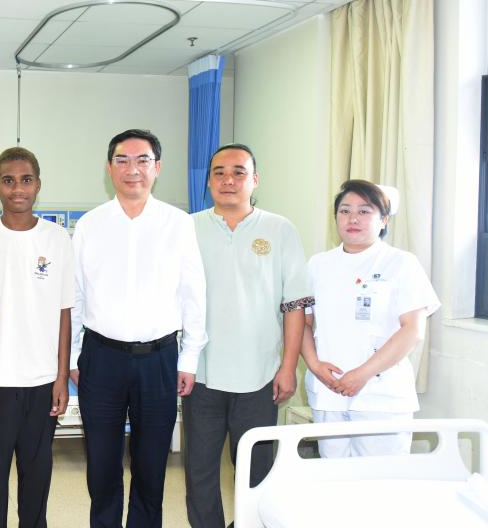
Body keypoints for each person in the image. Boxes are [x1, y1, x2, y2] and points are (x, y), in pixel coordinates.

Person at [70, 129, 207, 528]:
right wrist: (77, 354)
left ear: (157, 167)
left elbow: (193, 294)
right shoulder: (90, 225)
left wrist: (191, 357)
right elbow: (76, 294)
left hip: (159, 360)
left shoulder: (178, 224)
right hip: (101, 358)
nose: (133, 169)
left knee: (151, 467)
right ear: (110, 168)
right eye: (123, 160)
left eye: (142, 160)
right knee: (102, 464)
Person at [185, 144, 312, 527]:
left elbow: (294, 306)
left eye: (239, 172)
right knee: (200, 472)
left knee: (256, 472)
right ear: (207, 181)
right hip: (202, 376)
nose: (228, 180)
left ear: (254, 180)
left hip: (260, 376)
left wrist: (289, 367)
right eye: (219, 172)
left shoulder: (280, 229)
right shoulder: (188, 227)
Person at [0, 147, 74, 528]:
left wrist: (61, 377)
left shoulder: (58, 240)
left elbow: (64, 313)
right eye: (8, 180)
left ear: (38, 185)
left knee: (37, 475)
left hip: (42, 380)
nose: (17, 188)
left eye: (26, 180)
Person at [302, 179, 439, 457]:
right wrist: (315, 365)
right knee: (334, 477)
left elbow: (412, 330)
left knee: (381, 484)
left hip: (381, 394)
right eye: (345, 210)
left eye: (365, 211)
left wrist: (362, 374)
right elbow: (301, 323)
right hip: (329, 391)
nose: (353, 218)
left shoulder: (401, 263)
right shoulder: (317, 264)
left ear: (384, 219)